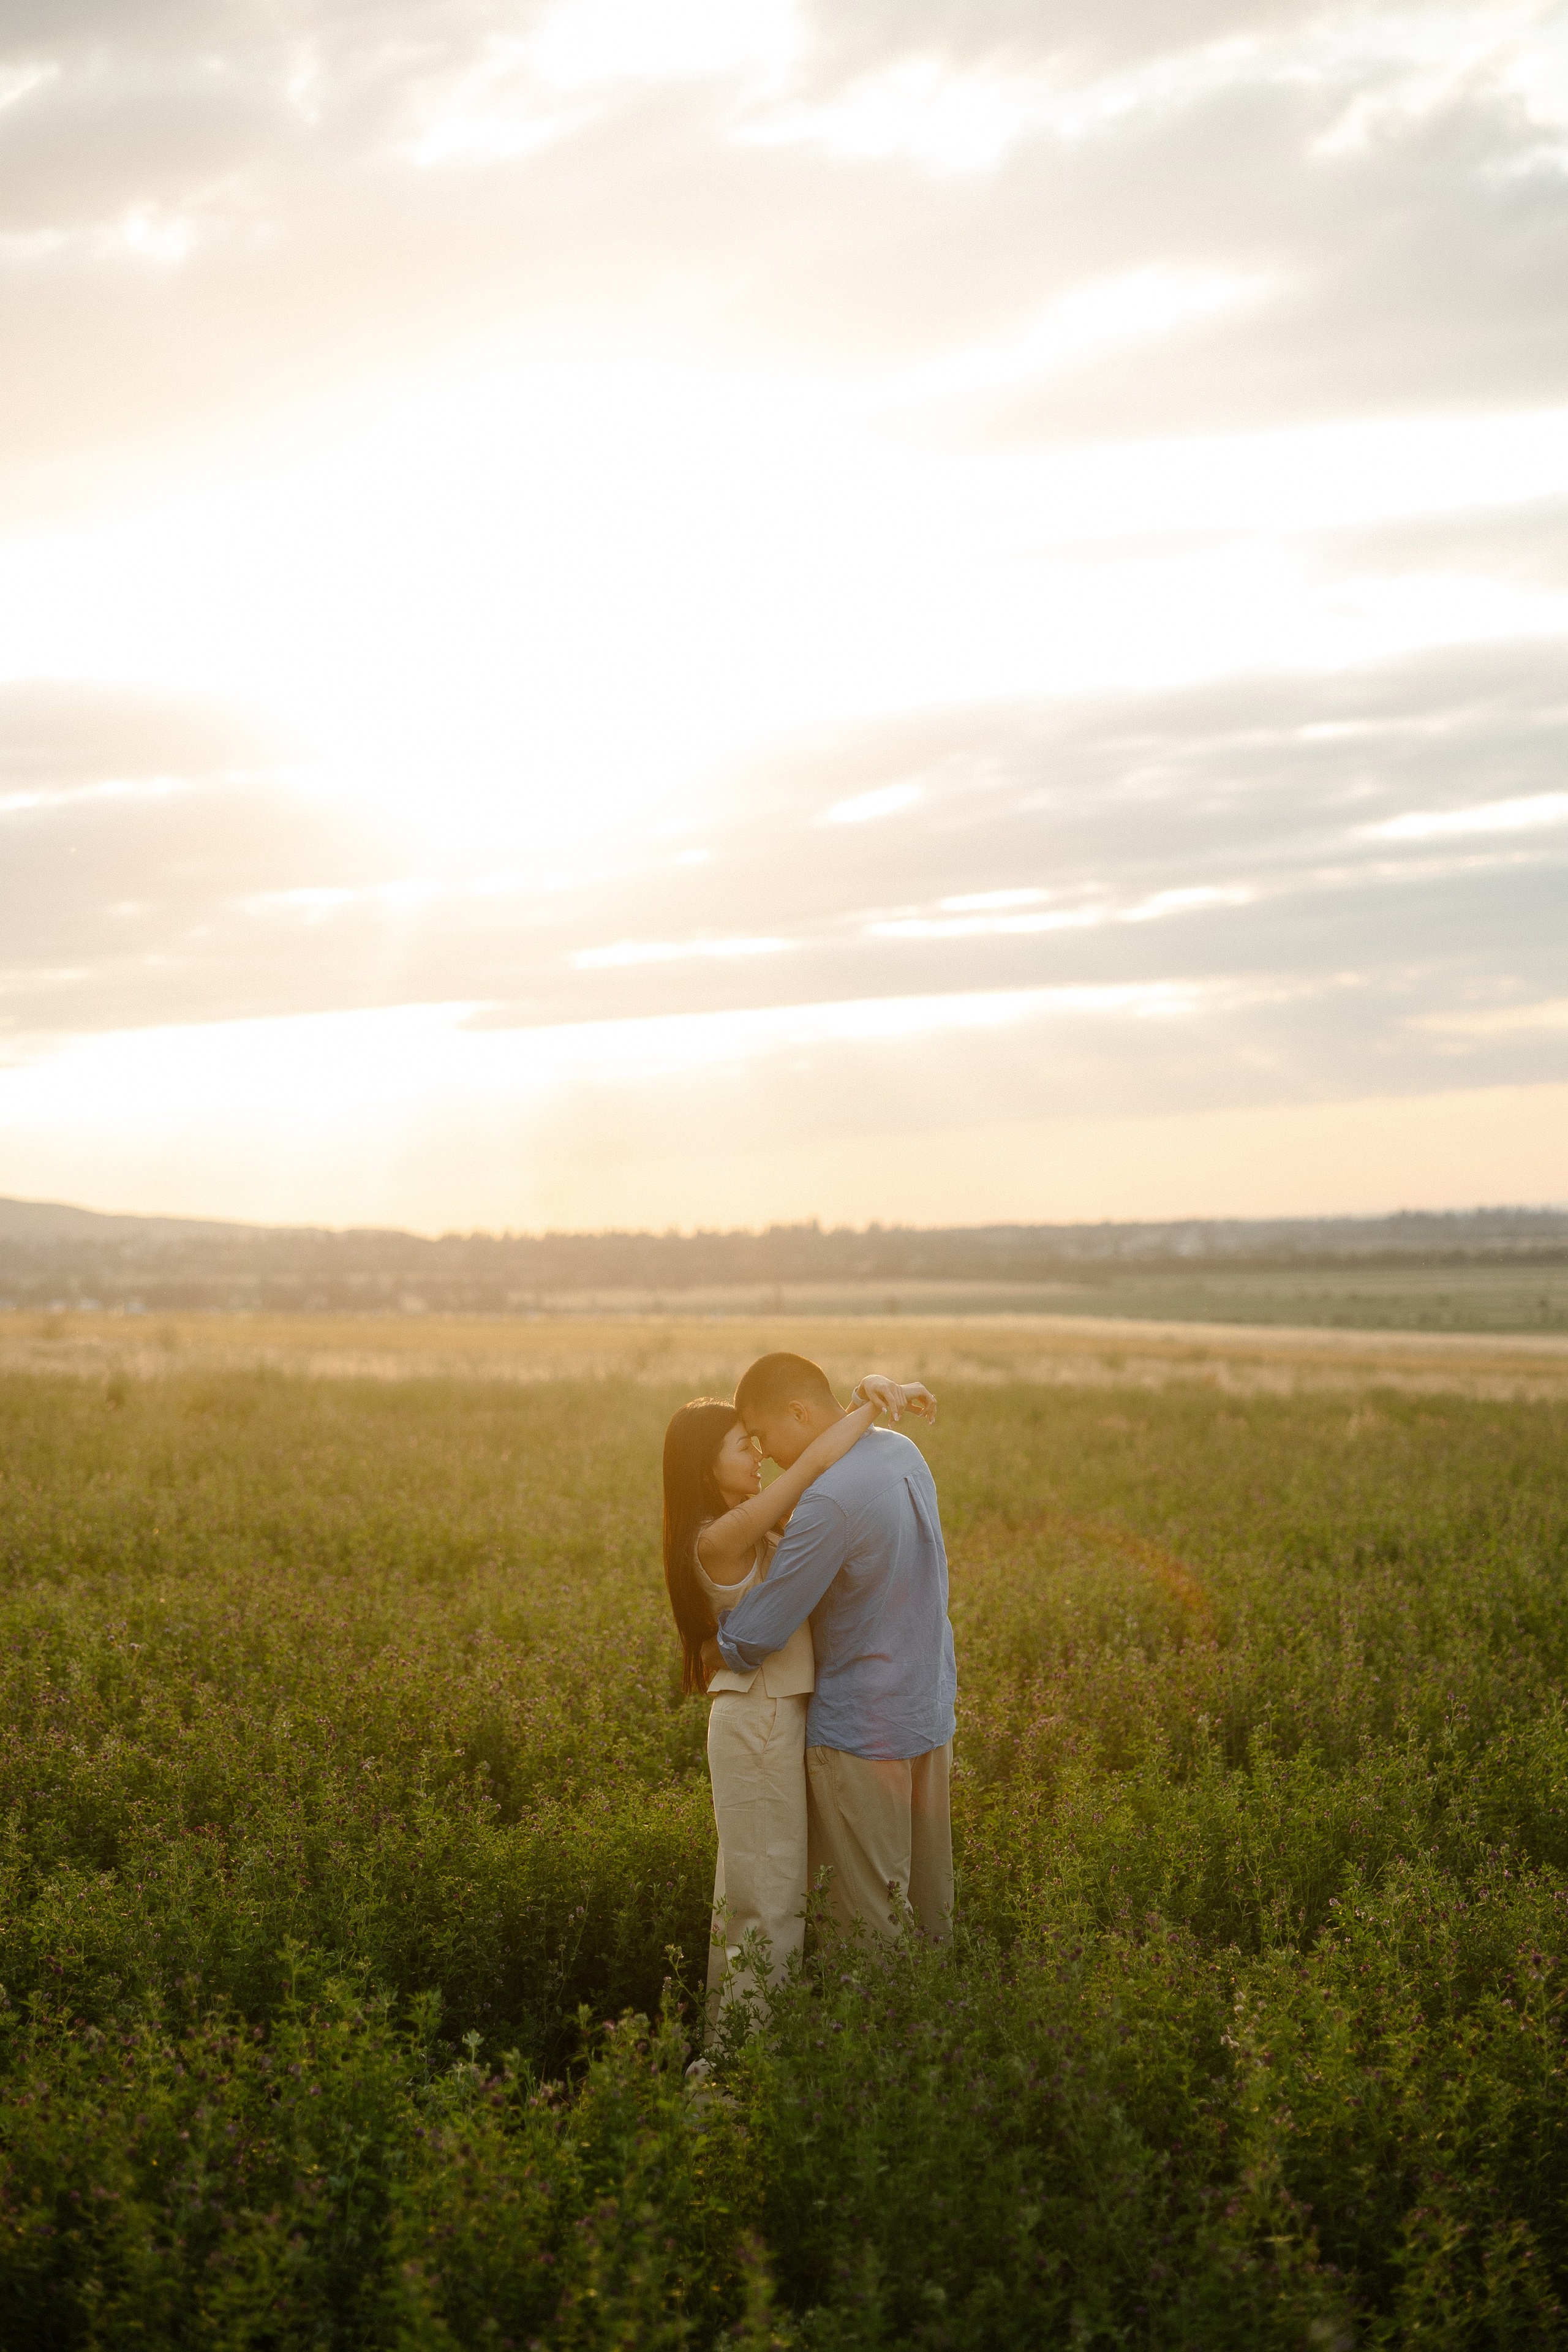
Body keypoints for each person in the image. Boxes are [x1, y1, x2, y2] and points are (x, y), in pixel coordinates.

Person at [662, 1370, 935, 2038]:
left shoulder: (753, 1518)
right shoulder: (719, 1535)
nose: (758, 1453)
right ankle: (735, 2063)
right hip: (756, 1718)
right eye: (742, 1445)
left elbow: (821, 1468)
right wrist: (866, 1402)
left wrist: (862, 1392)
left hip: (778, 1714)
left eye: (756, 1439)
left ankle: (743, 2047)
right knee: (767, 1903)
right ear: (705, 1468)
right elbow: (814, 1460)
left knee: (764, 1894)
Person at [712, 1351, 957, 1947]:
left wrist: (712, 1635)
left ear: (798, 1411)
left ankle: (876, 2041)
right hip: (927, 1716)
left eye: (765, 1436)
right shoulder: (905, 1453)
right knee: (930, 1917)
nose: (765, 1454)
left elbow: (752, 1639)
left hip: (859, 1740)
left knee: (867, 1931)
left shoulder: (827, 1502)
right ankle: (939, 2037)